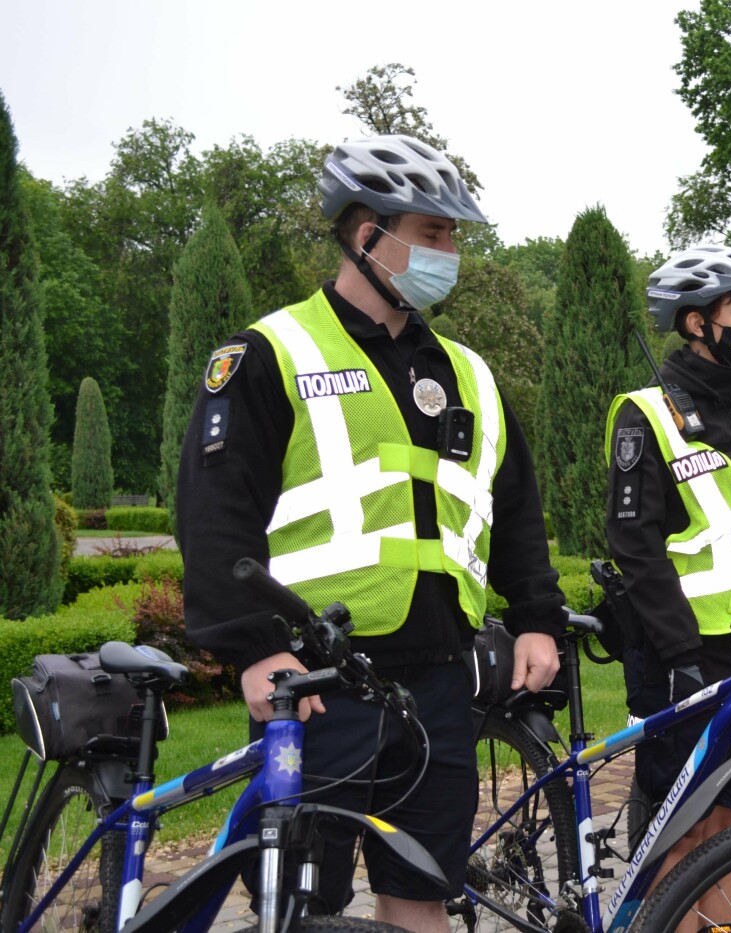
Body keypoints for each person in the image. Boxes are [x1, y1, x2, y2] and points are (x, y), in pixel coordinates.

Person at [178, 135, 564, 933]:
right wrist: (254, 648)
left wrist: (536, 616)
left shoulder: (469, 371)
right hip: (316, 685)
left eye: (455, 235)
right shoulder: (271, 351)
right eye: (434, 233)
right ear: (366, 235)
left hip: (441, 683)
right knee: (304, 904)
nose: (451, 252)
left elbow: (513, 508)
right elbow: (215, 511)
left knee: (423, 891)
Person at [605, 244, 731, 931]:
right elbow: (635, 545)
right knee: (682, 830)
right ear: (696, 323)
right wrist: (678, 648)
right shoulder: (646, 413)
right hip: (685, 653)